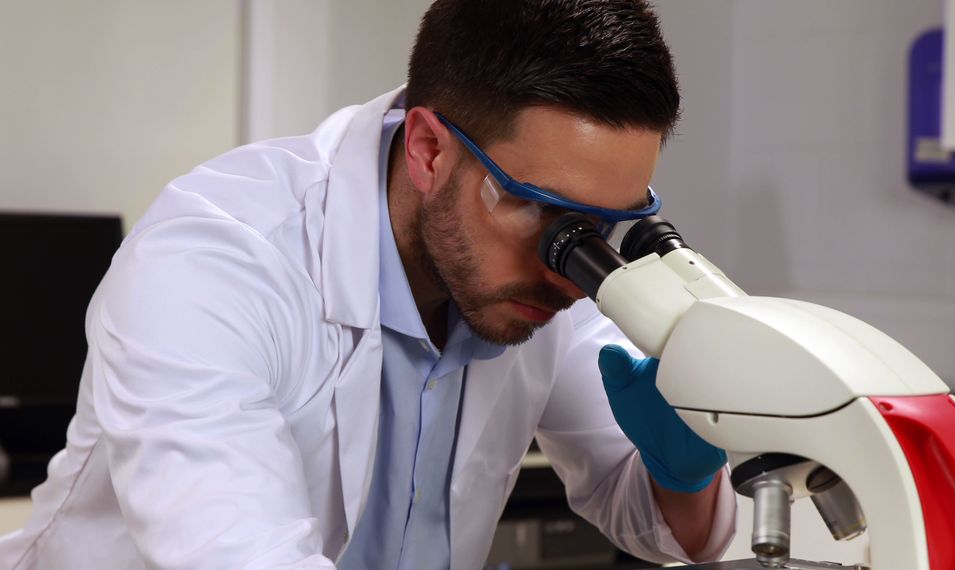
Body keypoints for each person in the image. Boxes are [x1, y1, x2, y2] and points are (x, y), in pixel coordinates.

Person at [0, 1, 736, 568]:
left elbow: (666, 523)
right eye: (542, 211)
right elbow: (239, 555)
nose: (568, 271)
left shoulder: (536, 279)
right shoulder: (215, 258)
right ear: (428, 150)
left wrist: (688, 464)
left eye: (603, 225)